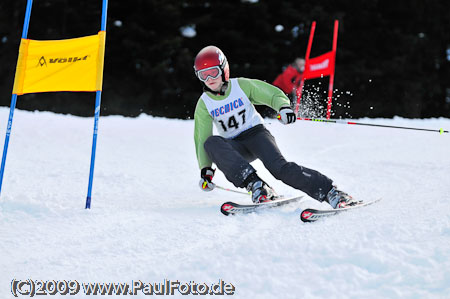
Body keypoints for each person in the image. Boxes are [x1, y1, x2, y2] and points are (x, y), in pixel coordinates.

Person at [193, 45, 356, 208]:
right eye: (203, 75)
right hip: (235, 147)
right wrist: (206, 169)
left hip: (256, 135)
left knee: (280, 169)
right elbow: (202, 137)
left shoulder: (241, 86)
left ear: (223, 69)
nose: (209, 79)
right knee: (211, 142)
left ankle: (331, 192)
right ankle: (257, 186)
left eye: (213, 72)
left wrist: (283, 107)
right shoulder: (204, 103)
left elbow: (272, 94)